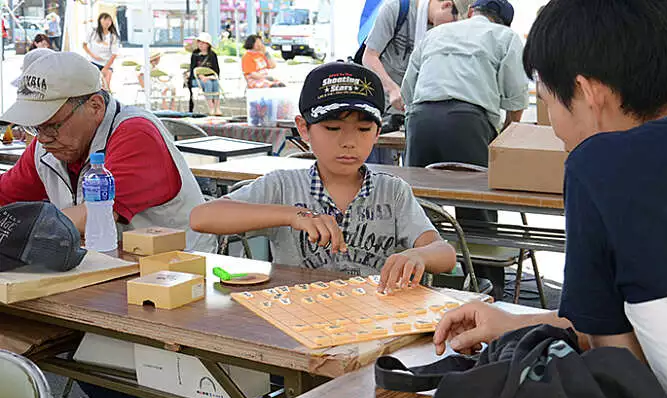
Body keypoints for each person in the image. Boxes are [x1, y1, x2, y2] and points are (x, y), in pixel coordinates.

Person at [434, 0, 667, 398]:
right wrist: (513, 321)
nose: (553, 126)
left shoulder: (600, 163)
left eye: (547, 101)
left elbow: (622, 375)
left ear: (589, 93)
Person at [0, 51, 215, 398]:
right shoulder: (46, 146)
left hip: (183, 283)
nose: (43, 137)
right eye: (35, 127)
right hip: (103, 282)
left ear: (95, 106)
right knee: (88, 355)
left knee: (95, 355)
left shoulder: (136, 133)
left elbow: (89, 218)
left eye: (51, 124)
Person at [190, 62, 457, 291]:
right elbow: (201, 217)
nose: (348, 142)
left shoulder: (393, 192)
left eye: (363, 129)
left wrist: (418, 255)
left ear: (378, 134)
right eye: (332, 128)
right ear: (303, 129)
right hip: (300, 317)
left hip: (374, 317)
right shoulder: (283, 187)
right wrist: (291, 215)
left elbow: (444, 253)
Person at [401, 0, 527, 296]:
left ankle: (416, 283)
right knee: (477, 207)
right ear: (503, 21)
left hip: (421, 118)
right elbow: (516, 96)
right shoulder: (505, 37)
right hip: (467, 119)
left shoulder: (437, 33)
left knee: (419, 206)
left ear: (471, 12)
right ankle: (487, 289)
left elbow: (408, 89)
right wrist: (504, 140)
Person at [362, 0, 470, 162]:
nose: (453, 28)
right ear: (446, 5)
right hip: (382, 107)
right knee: (378, 168)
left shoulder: (443, 31)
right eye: (454, 21)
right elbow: (369, 57)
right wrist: (392, 89)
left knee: (412, 170)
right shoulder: (396, 9)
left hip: (413, 112)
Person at [83, 13, 120, 91]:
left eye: (109, 20)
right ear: (99, 20)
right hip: (93, 63)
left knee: (105, 88)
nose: (107, 22)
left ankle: (107, 101)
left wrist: (105, 68)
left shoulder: (113, 36)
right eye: (104, 19)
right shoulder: (93, 32)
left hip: (107, 64)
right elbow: (84, 45)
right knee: (92, 87)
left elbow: (114, 54)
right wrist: (93, 55)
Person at [188, 32, 222, 116]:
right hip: (197, 79)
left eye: (203, 43)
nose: (201, 45)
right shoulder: (195, 54)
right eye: (199, 42)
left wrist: (210, 77)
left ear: (207, 44)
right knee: (208, 83)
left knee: (215, 83)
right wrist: (201, 76)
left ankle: (217, 107)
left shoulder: (212, 55)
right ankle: (211, 107)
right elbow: (193, 69)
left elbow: (216, 70)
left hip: (211, 77)